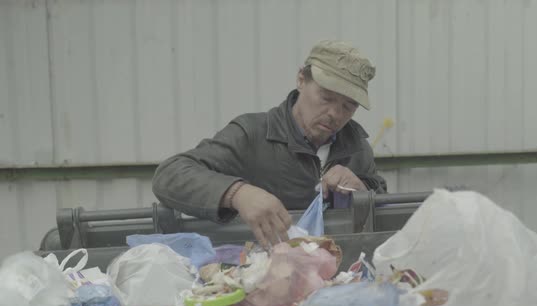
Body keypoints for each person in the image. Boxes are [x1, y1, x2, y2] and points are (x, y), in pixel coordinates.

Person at [152, 40, 387, 247]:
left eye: (349, 106)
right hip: (260, 271)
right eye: (326, 97)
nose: (335, 113)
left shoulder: (357, 147)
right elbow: (170, 175)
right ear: (301, 79)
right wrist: (238, 193)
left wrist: (363, 191)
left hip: (338, 271)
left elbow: (381, 203)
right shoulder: (252, 135)